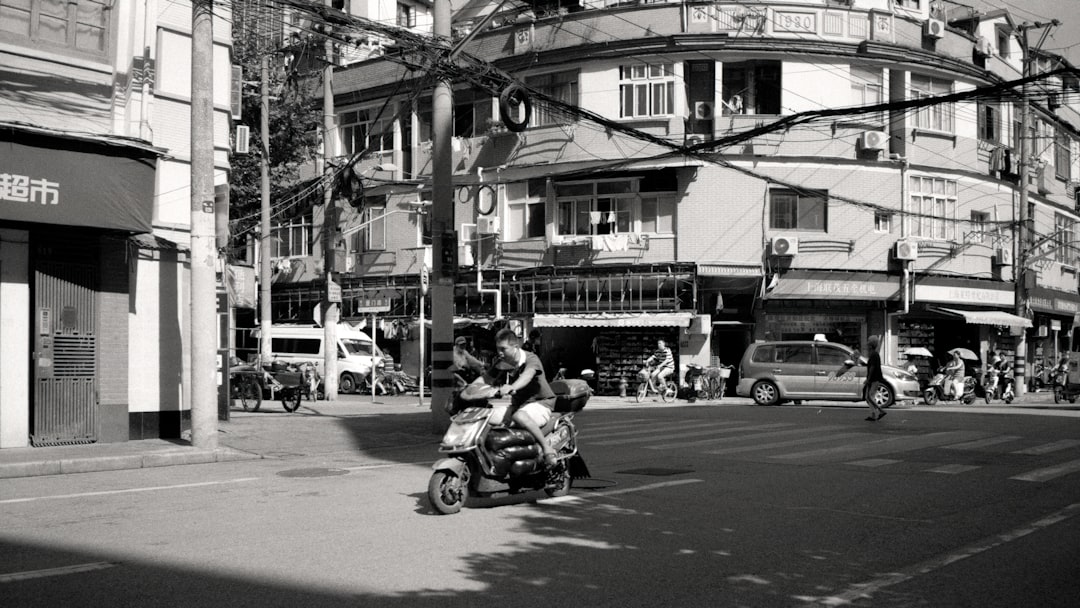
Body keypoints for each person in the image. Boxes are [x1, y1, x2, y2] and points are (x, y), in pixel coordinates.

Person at [475, 328, 558, 467]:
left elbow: (527, 376)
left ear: (515, 347)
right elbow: (485, 379)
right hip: (518, 405)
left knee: (519, 416)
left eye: (503, 349)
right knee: (486, 416)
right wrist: (468, 389)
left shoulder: (531, 358)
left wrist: (513, 387)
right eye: (498, 349)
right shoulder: (501, 362)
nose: (500, 353)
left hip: (541, 404)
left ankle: (547, 448)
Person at [863, 335, 886, 421]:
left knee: (869, 397)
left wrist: (868, 379)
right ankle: (874, 414)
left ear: (870, 345)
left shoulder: (873, 355)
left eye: (868, 343)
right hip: (874, 378)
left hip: (874, 379)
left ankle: (879, 411)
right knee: (868, 397)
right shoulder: (874, 354)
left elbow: (872, 367)